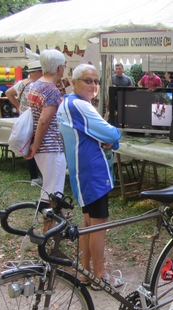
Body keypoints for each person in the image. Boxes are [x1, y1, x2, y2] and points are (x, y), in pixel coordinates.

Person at [58, 63, 123, 290]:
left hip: (82, 172)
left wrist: (110, 140)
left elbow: (102, 135)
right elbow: (111, 132)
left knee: (88, 222)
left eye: (96, 81)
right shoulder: (79, 105)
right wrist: (115, 139)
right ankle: (100, 275)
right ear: (73, 82)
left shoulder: (68, 103)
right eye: (88, 80)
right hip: (93, 173)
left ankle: (85, 271)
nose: (93, 85)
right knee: (98, 225)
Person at [24, 49, 67, 228]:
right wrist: (36, 144)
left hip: (43, 148)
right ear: (59, 68)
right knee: (53, 194)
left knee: (49, 190)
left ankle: (51, 233)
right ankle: (49, 236)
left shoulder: (35, 84)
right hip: (50, 147)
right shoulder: (50, 89)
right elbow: (43, 120)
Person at [5, 60, 44, 185]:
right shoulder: (38, 85)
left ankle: (34, 176)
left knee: (28, 145)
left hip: (24, 119)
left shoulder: (21, 83)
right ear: (38, 72)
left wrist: (18, 106)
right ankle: (40, 174)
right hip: (36, 119)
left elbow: (8, 93)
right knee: (37, 145)